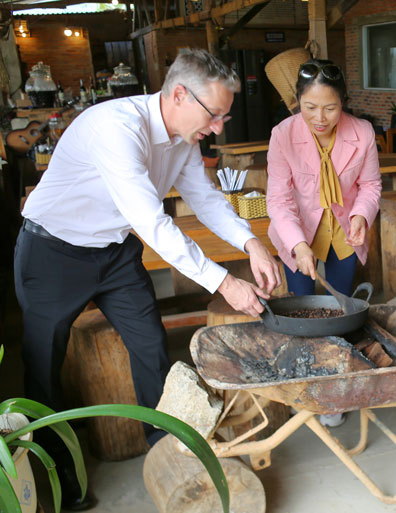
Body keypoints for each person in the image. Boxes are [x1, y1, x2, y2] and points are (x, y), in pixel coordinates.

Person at [14, 48, 281, 510]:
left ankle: (168, 449)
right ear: (179, 93)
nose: (219, 127)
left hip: (114, 252)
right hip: (52, 252)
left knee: (150, 347)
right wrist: (225, 284)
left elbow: (206, 199)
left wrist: (251, 242)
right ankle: (60, 480)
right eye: (214, 114)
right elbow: (154, 224)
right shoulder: (116, 129)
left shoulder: (184, 138)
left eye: (224, 116)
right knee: (44, 368)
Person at [266, 59, 382, 425]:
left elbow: (371, 186)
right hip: (298, 235)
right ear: (297, 101)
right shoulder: (283, 135)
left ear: (343, 102)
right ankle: (306, 388)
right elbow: (279, 200)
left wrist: (362, 215)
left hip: (344, 235)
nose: (320, 117)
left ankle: (332, 393)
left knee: (338, 314)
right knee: (301, 315)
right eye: (310, 107)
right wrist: (298, 245)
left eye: (330, 108)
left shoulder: (362, 133)